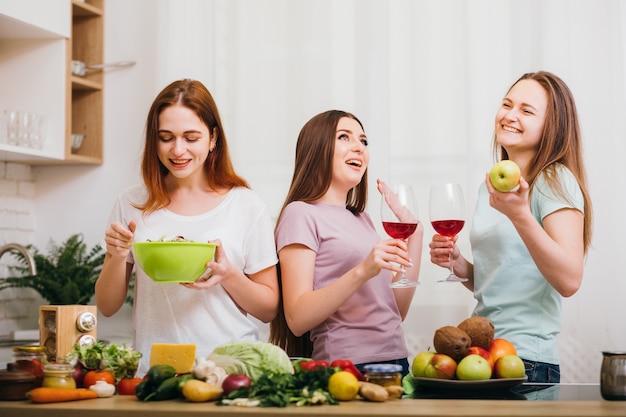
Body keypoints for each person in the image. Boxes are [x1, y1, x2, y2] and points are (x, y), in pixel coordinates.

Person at [95, 79, 279, 377]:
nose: (178, 150)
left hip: (228, 373)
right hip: (154, 374)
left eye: (191, 137)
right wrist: (116, 255)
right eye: (166, 137)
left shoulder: (246, 205)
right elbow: (107, 305)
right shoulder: (131, 202)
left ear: (213, 138)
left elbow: (268, 308)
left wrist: (229, 275)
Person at [429, 71, 593, 383]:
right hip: (482, 354)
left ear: (552, 126)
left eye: (526, 110)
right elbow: (501, 280)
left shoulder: (553, 179)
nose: (510, 115)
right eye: (507, 104)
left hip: (526, 362)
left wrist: (520, 215)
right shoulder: (491, 185)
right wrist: (460, 265)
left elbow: (570, 279)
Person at [269, 110, 423, 376]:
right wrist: (363, 270)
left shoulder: (362, 219)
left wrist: (415, 234)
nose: (359, 148)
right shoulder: (300, 213)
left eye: (363, 141)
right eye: (344, 137)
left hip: (397, 360)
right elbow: (296, 318)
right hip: (345, 367)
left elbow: (397, 310)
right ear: (317, 149)